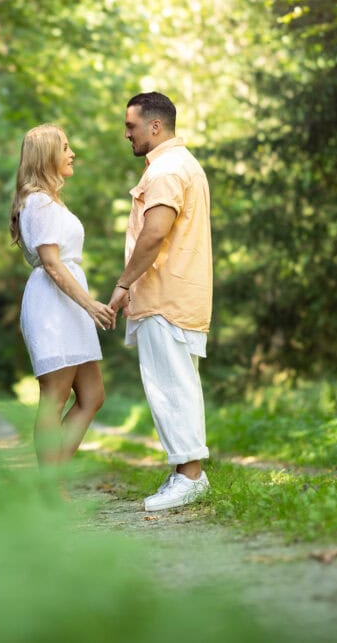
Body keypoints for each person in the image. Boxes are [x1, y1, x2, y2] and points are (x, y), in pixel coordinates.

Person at [108, 92, 213, 511]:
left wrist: (122, 285)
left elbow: (154, 234)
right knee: (176, 385)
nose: (126, 134)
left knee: (171, 388)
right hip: (177, 293)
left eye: (131, 126)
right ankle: (184, 471)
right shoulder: (181, 164)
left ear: (155, 126)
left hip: (165, 295)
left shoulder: (168, 169)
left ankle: (190, 477)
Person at [10, 124, 116, 467]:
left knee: (92, 396)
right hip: (53, 306)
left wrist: (83, 305)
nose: (72, 154)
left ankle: (50, 477)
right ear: (47, 156)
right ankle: (50, 487)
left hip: (69, 305)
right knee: (54, 396)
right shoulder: (38, 202)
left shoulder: (50, 201)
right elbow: (52, 264)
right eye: (66, 147)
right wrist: (90, 304)